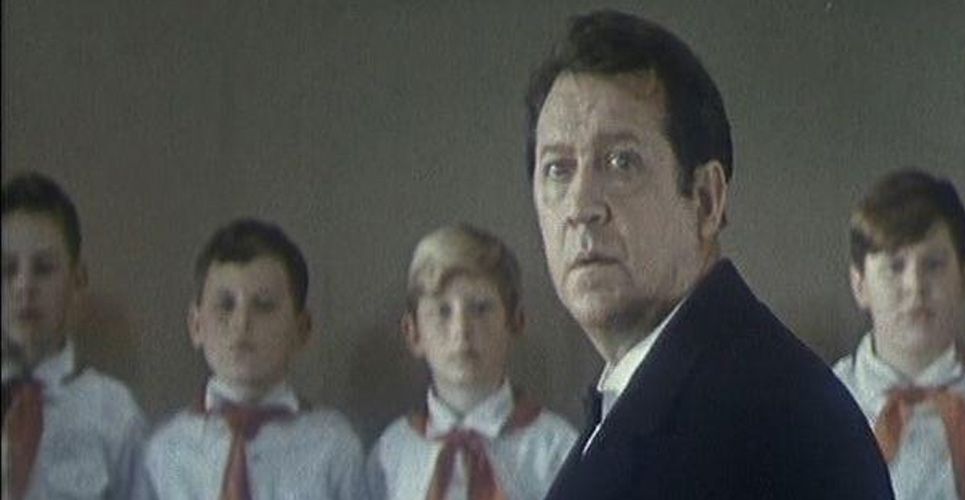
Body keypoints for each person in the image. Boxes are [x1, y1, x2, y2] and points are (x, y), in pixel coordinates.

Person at [525, 9, 892, 499]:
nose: (580, 206)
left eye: (621, 162)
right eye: (557, 168)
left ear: (705, 201)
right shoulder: (648, 396)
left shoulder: (773, 418)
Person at [832, 169, 965, 499]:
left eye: (933, 264)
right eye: (895, 266)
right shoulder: (826, 406)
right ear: (860, 284)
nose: (915, 287)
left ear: (964, 277)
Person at [141, 218, 365, 499]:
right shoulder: (164, 451)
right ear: (196, 326)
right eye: (226, 305)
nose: (242, 323)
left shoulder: (334, 448)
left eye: (264, 306)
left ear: (301, 329)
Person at [367, 224, 577, 500]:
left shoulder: (556, 449)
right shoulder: (391, 454)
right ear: (414, 333)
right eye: (443, 311)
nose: (461, 330)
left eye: (480, 308)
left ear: (515, 323)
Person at [1, 172, 147, 499]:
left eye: (43, 268)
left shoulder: (113, 414)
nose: (24, 287)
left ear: (77, 280)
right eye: (7, 270)